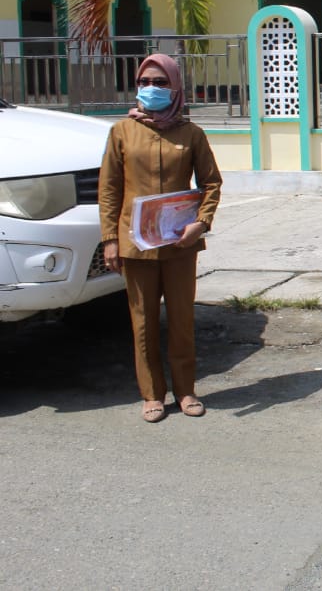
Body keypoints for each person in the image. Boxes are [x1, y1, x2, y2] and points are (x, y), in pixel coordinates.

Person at [99, 54, 222, 423]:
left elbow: (211, 182)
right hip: (135, 243)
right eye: (145, 82)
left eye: (161, 82)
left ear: (176, 88)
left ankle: (186, 390)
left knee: (182, 319)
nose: (152, 89)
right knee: (143, 321)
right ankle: (152, 394)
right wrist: (109, 239)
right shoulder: (121, 132)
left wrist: (201, 222)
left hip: (180, 243)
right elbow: (109, 189)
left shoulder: (191, 134)